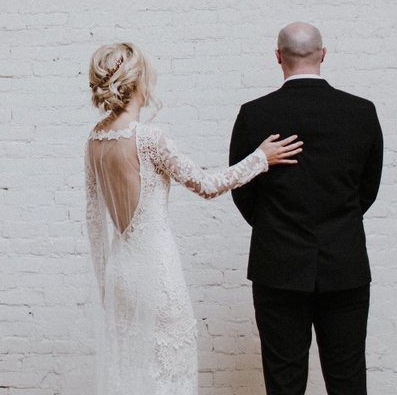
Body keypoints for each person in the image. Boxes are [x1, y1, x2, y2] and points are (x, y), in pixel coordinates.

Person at [85, 41, 302, 395]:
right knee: (170, 367)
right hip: (156, 273)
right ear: (138, 82)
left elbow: (94, 219)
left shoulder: (94, 140)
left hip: (119, 273)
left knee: (133, 372)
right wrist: (260, 158)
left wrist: (104, 286)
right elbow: (207, 185)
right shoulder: (150, 140)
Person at [228, 23, 384, 395]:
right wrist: (339, 224)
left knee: (284, 382)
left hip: (277, 264)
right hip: (343, 264)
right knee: (348, 380)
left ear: (278, 56)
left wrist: (272, 225)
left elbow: (241, 189)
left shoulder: (254, 115)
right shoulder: (361, 112)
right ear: (324, 54)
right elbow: (368, 189)